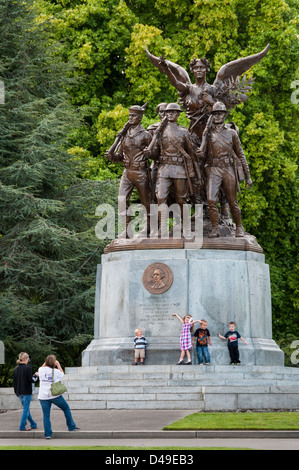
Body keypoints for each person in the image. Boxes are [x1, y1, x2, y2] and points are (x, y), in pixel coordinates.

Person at [105, 104, 153, 238]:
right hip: (127, 172)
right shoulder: (124, 135)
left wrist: (150, 153)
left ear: (140, 117)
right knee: (122, 199)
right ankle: (127, 229)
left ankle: (148, 227)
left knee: (146, 201)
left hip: (141, 172)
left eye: (134, 116)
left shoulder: (146, 136)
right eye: (129, 116)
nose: (131, 118)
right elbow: (120, 157)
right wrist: (112, 156)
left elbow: (155, 155)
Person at [38, 355, 79, 439]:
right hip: (55, 395)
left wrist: (46, 363)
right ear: (54, 362)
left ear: (45, 362)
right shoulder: (56, 371)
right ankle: (71, 427)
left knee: (46, 415)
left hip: (43, 396)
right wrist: (58, 365)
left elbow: (41, 367)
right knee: (66, 408)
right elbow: (62, 375)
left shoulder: (41, 370)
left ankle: (48, 434)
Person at [13, 352, 38, 431]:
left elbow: (15, 382)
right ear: (26, 359)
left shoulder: (16, 369)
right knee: (26, 409)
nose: (28, 360)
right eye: (28, 359)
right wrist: (36, 375)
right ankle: (22, 427)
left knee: (26, 409)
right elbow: (31, 380)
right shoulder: (28, 368)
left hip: (19, 392)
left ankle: (33, 424)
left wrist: (16, 392)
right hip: (26, 392)